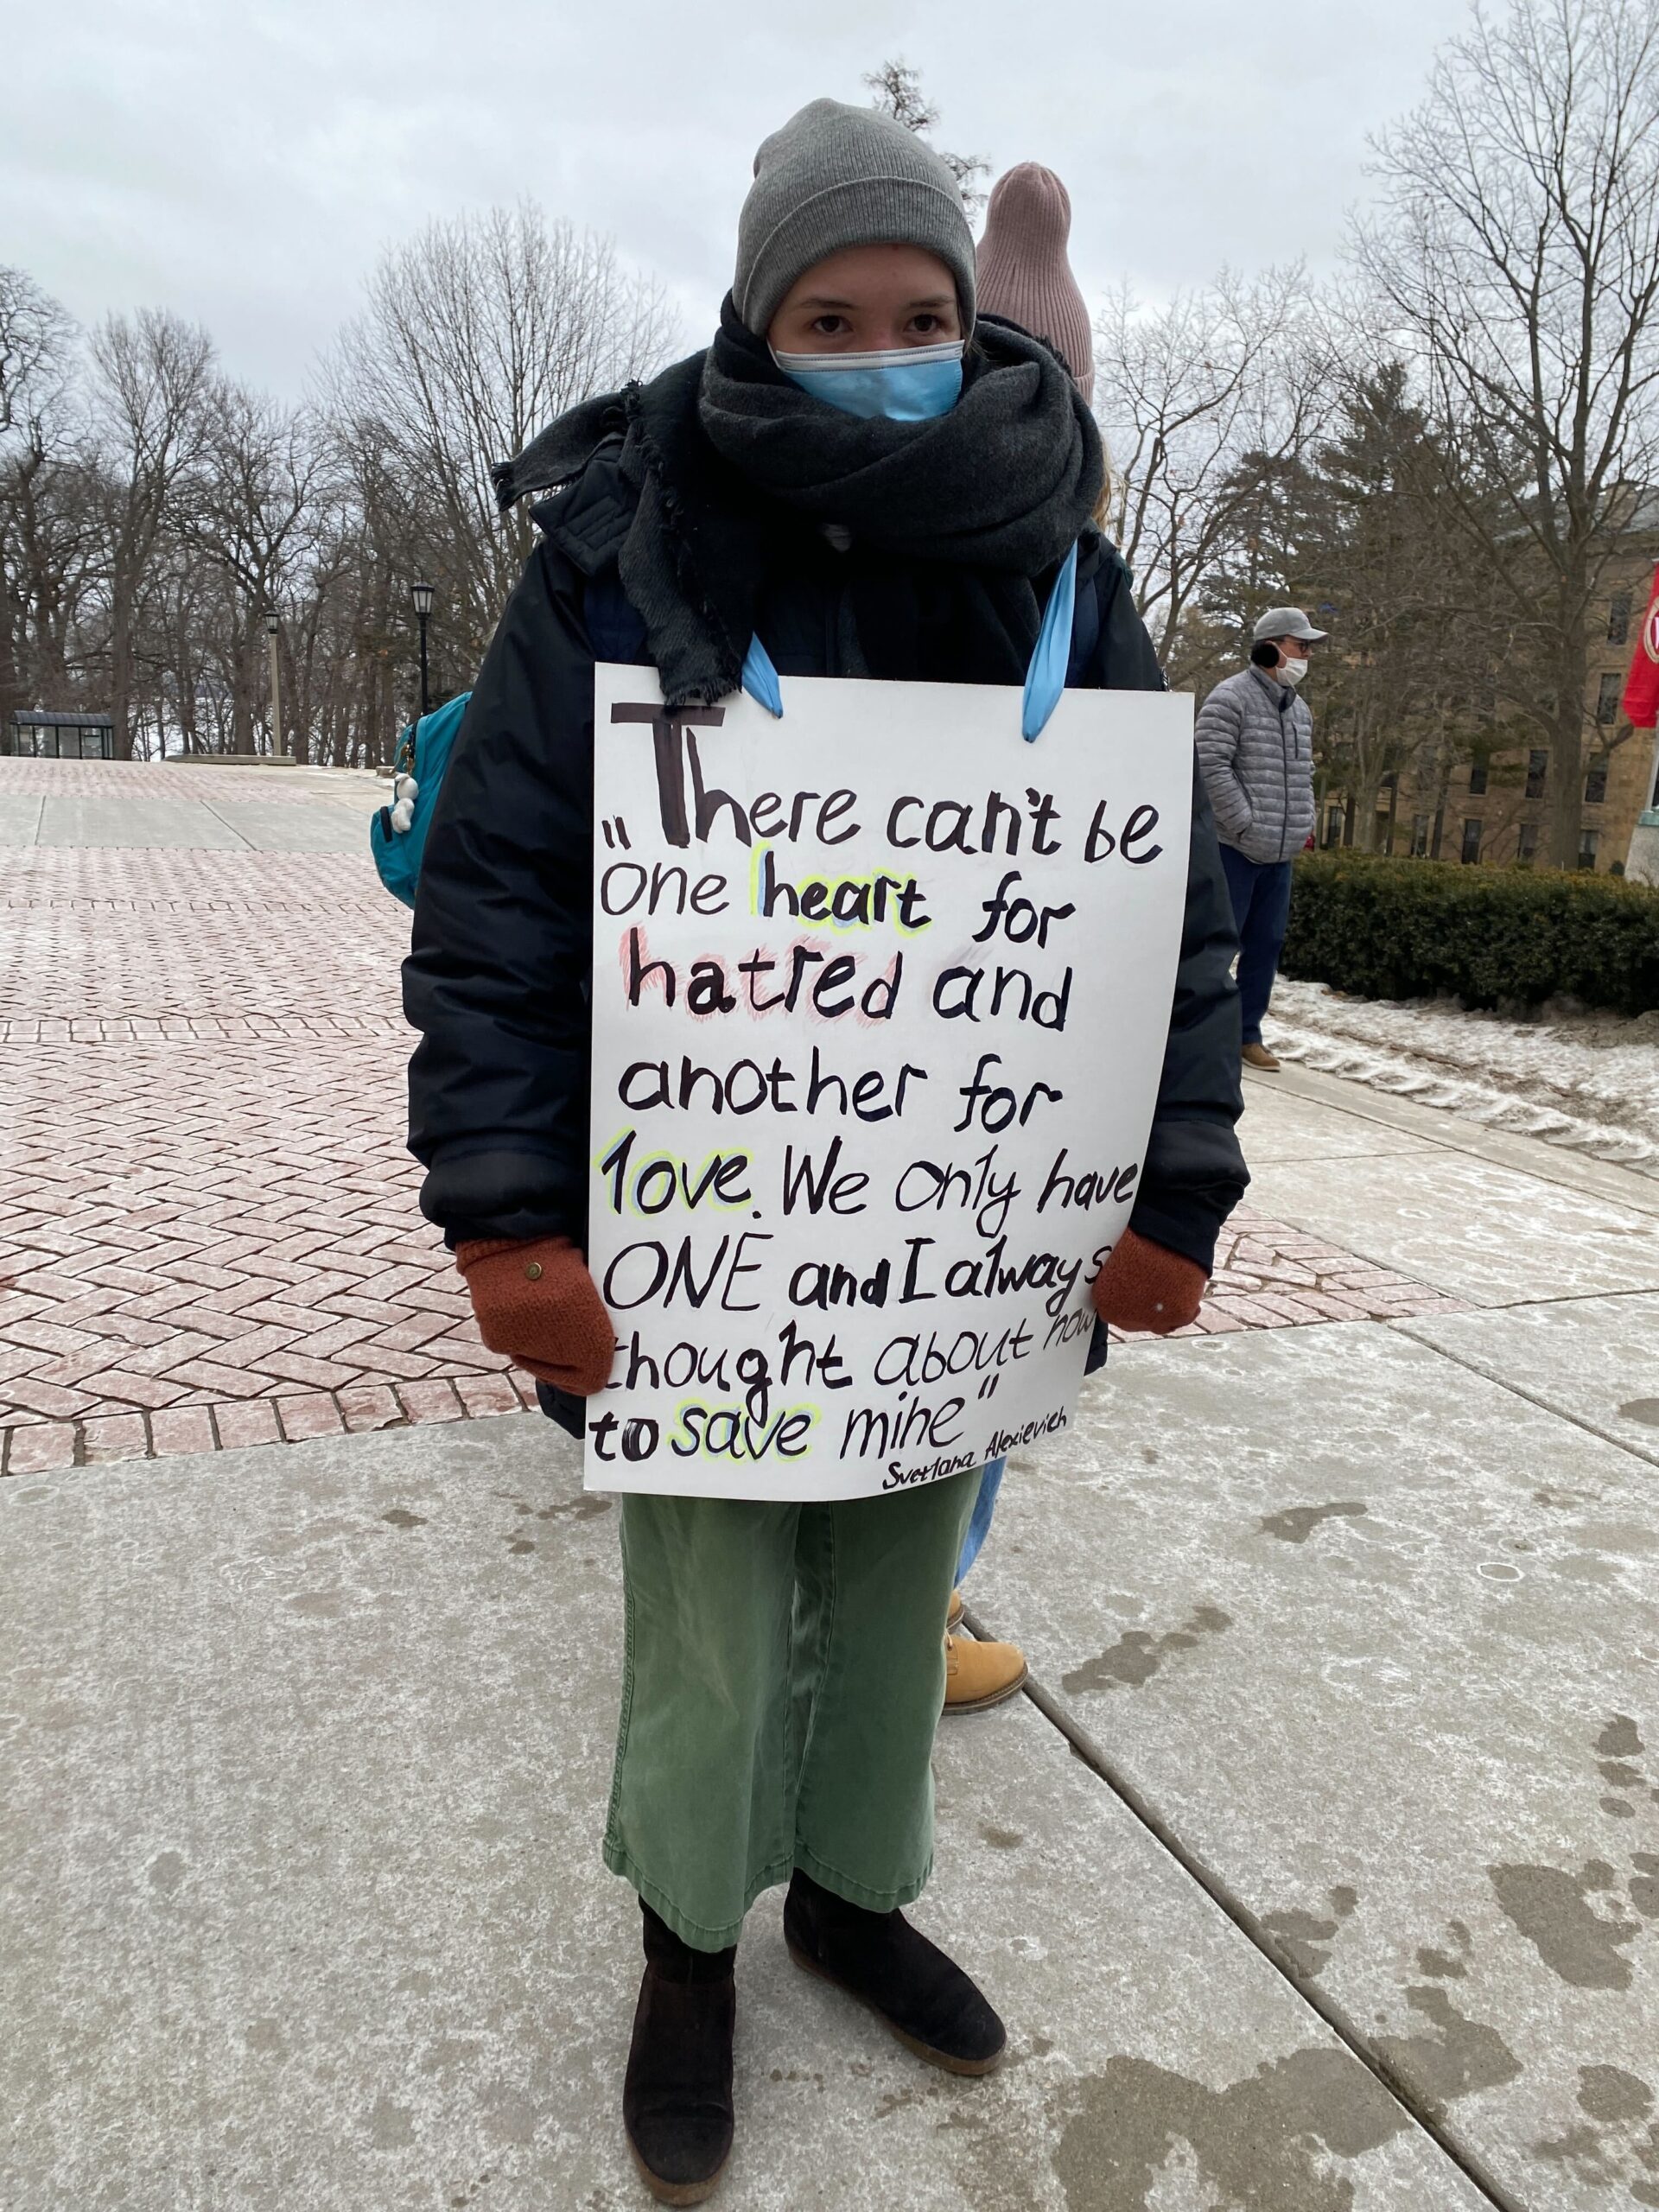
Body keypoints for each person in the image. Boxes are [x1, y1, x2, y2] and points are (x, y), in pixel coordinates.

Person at [404, 97, 1248, 2206]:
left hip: (947, 1248)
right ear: (756, 323)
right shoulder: (624, 548)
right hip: (701, 1240)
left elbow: (1171, 925)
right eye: (830, 309)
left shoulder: (1057, 558)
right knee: (704, 1612)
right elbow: (495, 899)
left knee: (895, 1590)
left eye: (922, 310)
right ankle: (689, 1939)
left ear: (974, 327)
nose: (881, 341)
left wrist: (1178, 1187)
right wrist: (505, 1210)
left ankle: (852, 1896)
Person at [939, 156, 1100, 1716]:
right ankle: (900, 1611)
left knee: (971, 1339)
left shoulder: (1081, 604)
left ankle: (923, 1596)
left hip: (1002, 1063)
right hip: (850, 1039)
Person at [1194, 608, 1325, 1071]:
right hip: (1235, 849)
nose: (1307, 654)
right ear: (1270, 647)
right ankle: (1201, 1033)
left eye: (1308, 647)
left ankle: (1247, 1034)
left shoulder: (1301, 711)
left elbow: (1303, 774)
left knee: (1265, 947)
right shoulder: (1230, 698)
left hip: (1281, 854)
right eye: (1300, 645)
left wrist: (1304, 823)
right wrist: (1243, 823)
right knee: (1217, 946)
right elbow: (1209, 764)